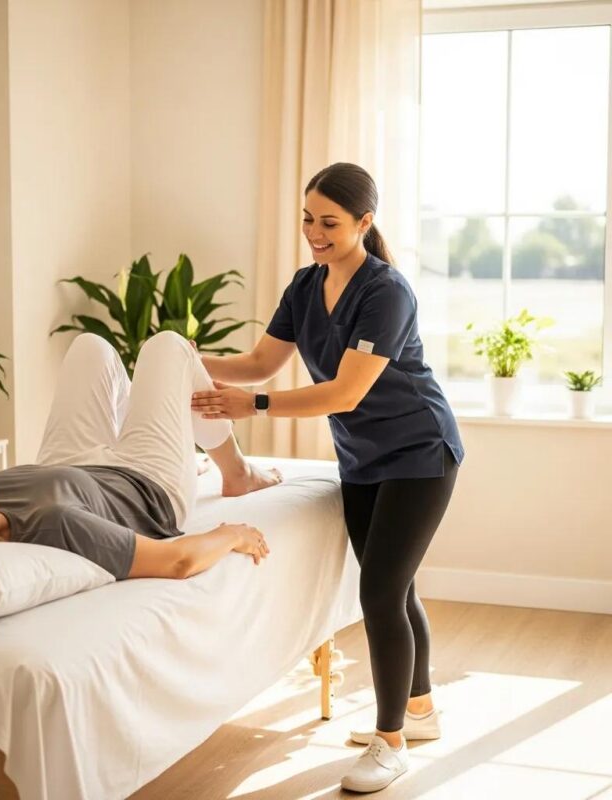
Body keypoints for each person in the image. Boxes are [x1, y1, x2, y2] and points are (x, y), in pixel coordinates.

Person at [191, 162, 464, 793]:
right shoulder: (306, 284)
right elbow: (261, 362)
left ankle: (390, 742)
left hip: (420, 453)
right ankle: (420, 711)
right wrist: (181, 359)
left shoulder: (386, 292)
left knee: (380, 594)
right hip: (362, 457)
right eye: (308, 219)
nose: (314, 232)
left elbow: (344, 392)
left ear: (364, 223)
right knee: (396, 590)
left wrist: (254, 407)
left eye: (330, 223)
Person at [0, 331, 284, 580]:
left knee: (90, 347)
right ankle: (237, 473)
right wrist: (233, 535)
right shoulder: (56, 524)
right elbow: (177, 562)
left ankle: (184, 451)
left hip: (72, 465)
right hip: (147, 484)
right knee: (168, 347)